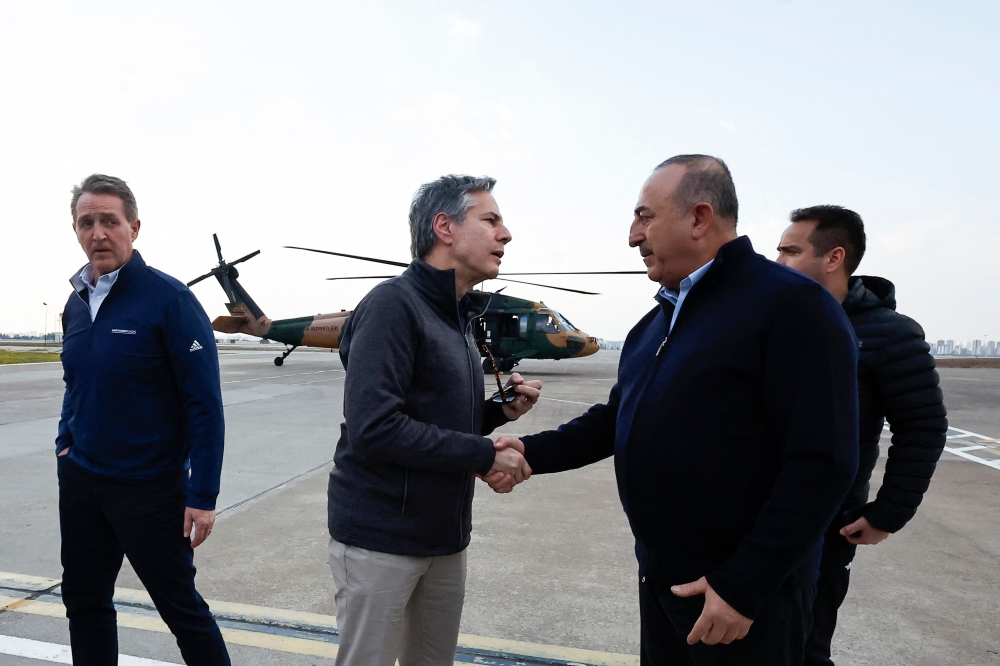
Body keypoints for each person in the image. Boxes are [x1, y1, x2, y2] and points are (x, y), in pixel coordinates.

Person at [488, 155, 859, 665]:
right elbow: (617, 418)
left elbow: (823, 461)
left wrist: (744, 586)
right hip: (665, 584)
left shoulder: (793, 307)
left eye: (645, 217)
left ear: (699, 218)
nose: (633, 236)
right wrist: (530, 450)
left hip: (740, 603)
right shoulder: (655, 325)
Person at [326, 174, 542, 666]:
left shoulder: (457, 315)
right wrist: (485, 453)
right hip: (381, 536)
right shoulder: (393, 306)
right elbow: (377, 426)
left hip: (443, 536)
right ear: (444, 227)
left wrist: (496, 413)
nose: (505, 234)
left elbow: (432, 417)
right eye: (490, 220)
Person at [57, 174, 230, 664]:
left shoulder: (169, 301)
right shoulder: (75, 303)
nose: (98, 233)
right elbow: (76, 385)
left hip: (152, 490)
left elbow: (204, 403)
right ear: (76, 230)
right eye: (86, 222)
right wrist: (65, 445)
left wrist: (203, 494)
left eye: (109, 221)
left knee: (182, 612)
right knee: (85, 602)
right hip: (83, 481)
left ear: (133, 226)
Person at [776, 205, 947, 666]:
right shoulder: (777, 322)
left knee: (807, 643)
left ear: (833, 258)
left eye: (790, 252)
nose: (777, 263)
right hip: (755, 515)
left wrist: (889, 513)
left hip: (828, 522)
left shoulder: (889, 335)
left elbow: (923, 427)